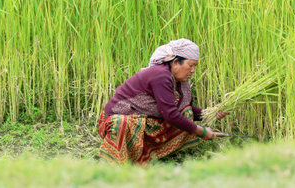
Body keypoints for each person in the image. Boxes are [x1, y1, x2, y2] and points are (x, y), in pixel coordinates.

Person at [98, 38, 228, 165]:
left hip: (142, 122)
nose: (193, 70)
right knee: (121, 123)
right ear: (176, 62)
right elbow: (170, 114)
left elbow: (183, 109)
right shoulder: (161, 75)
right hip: (114, 122)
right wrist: (201, 131)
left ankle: (148, 155)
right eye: (191, 65)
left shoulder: (180, 82)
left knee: (186, 113)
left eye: (195, 66)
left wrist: (211, 113)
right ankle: (117, 160)